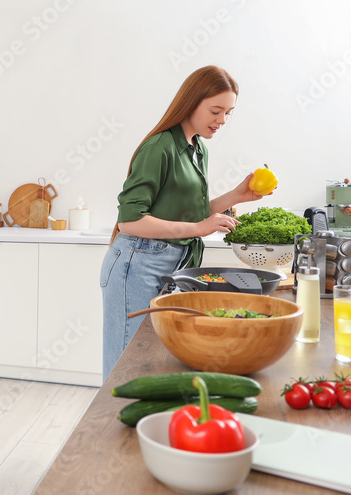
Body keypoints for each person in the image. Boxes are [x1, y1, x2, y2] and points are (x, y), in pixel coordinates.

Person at [100, 65, 270, 380]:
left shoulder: (196, 149)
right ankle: (109, 428)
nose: (221, 120)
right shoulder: (159, 147)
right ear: (191, 102)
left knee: (155, 360)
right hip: (137, 264)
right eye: (215, 110)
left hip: (170, 264)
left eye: (228, 113)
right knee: (127, 366)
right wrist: (197, 230)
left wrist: (237, 195)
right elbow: (130, 221)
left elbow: (187, 212)